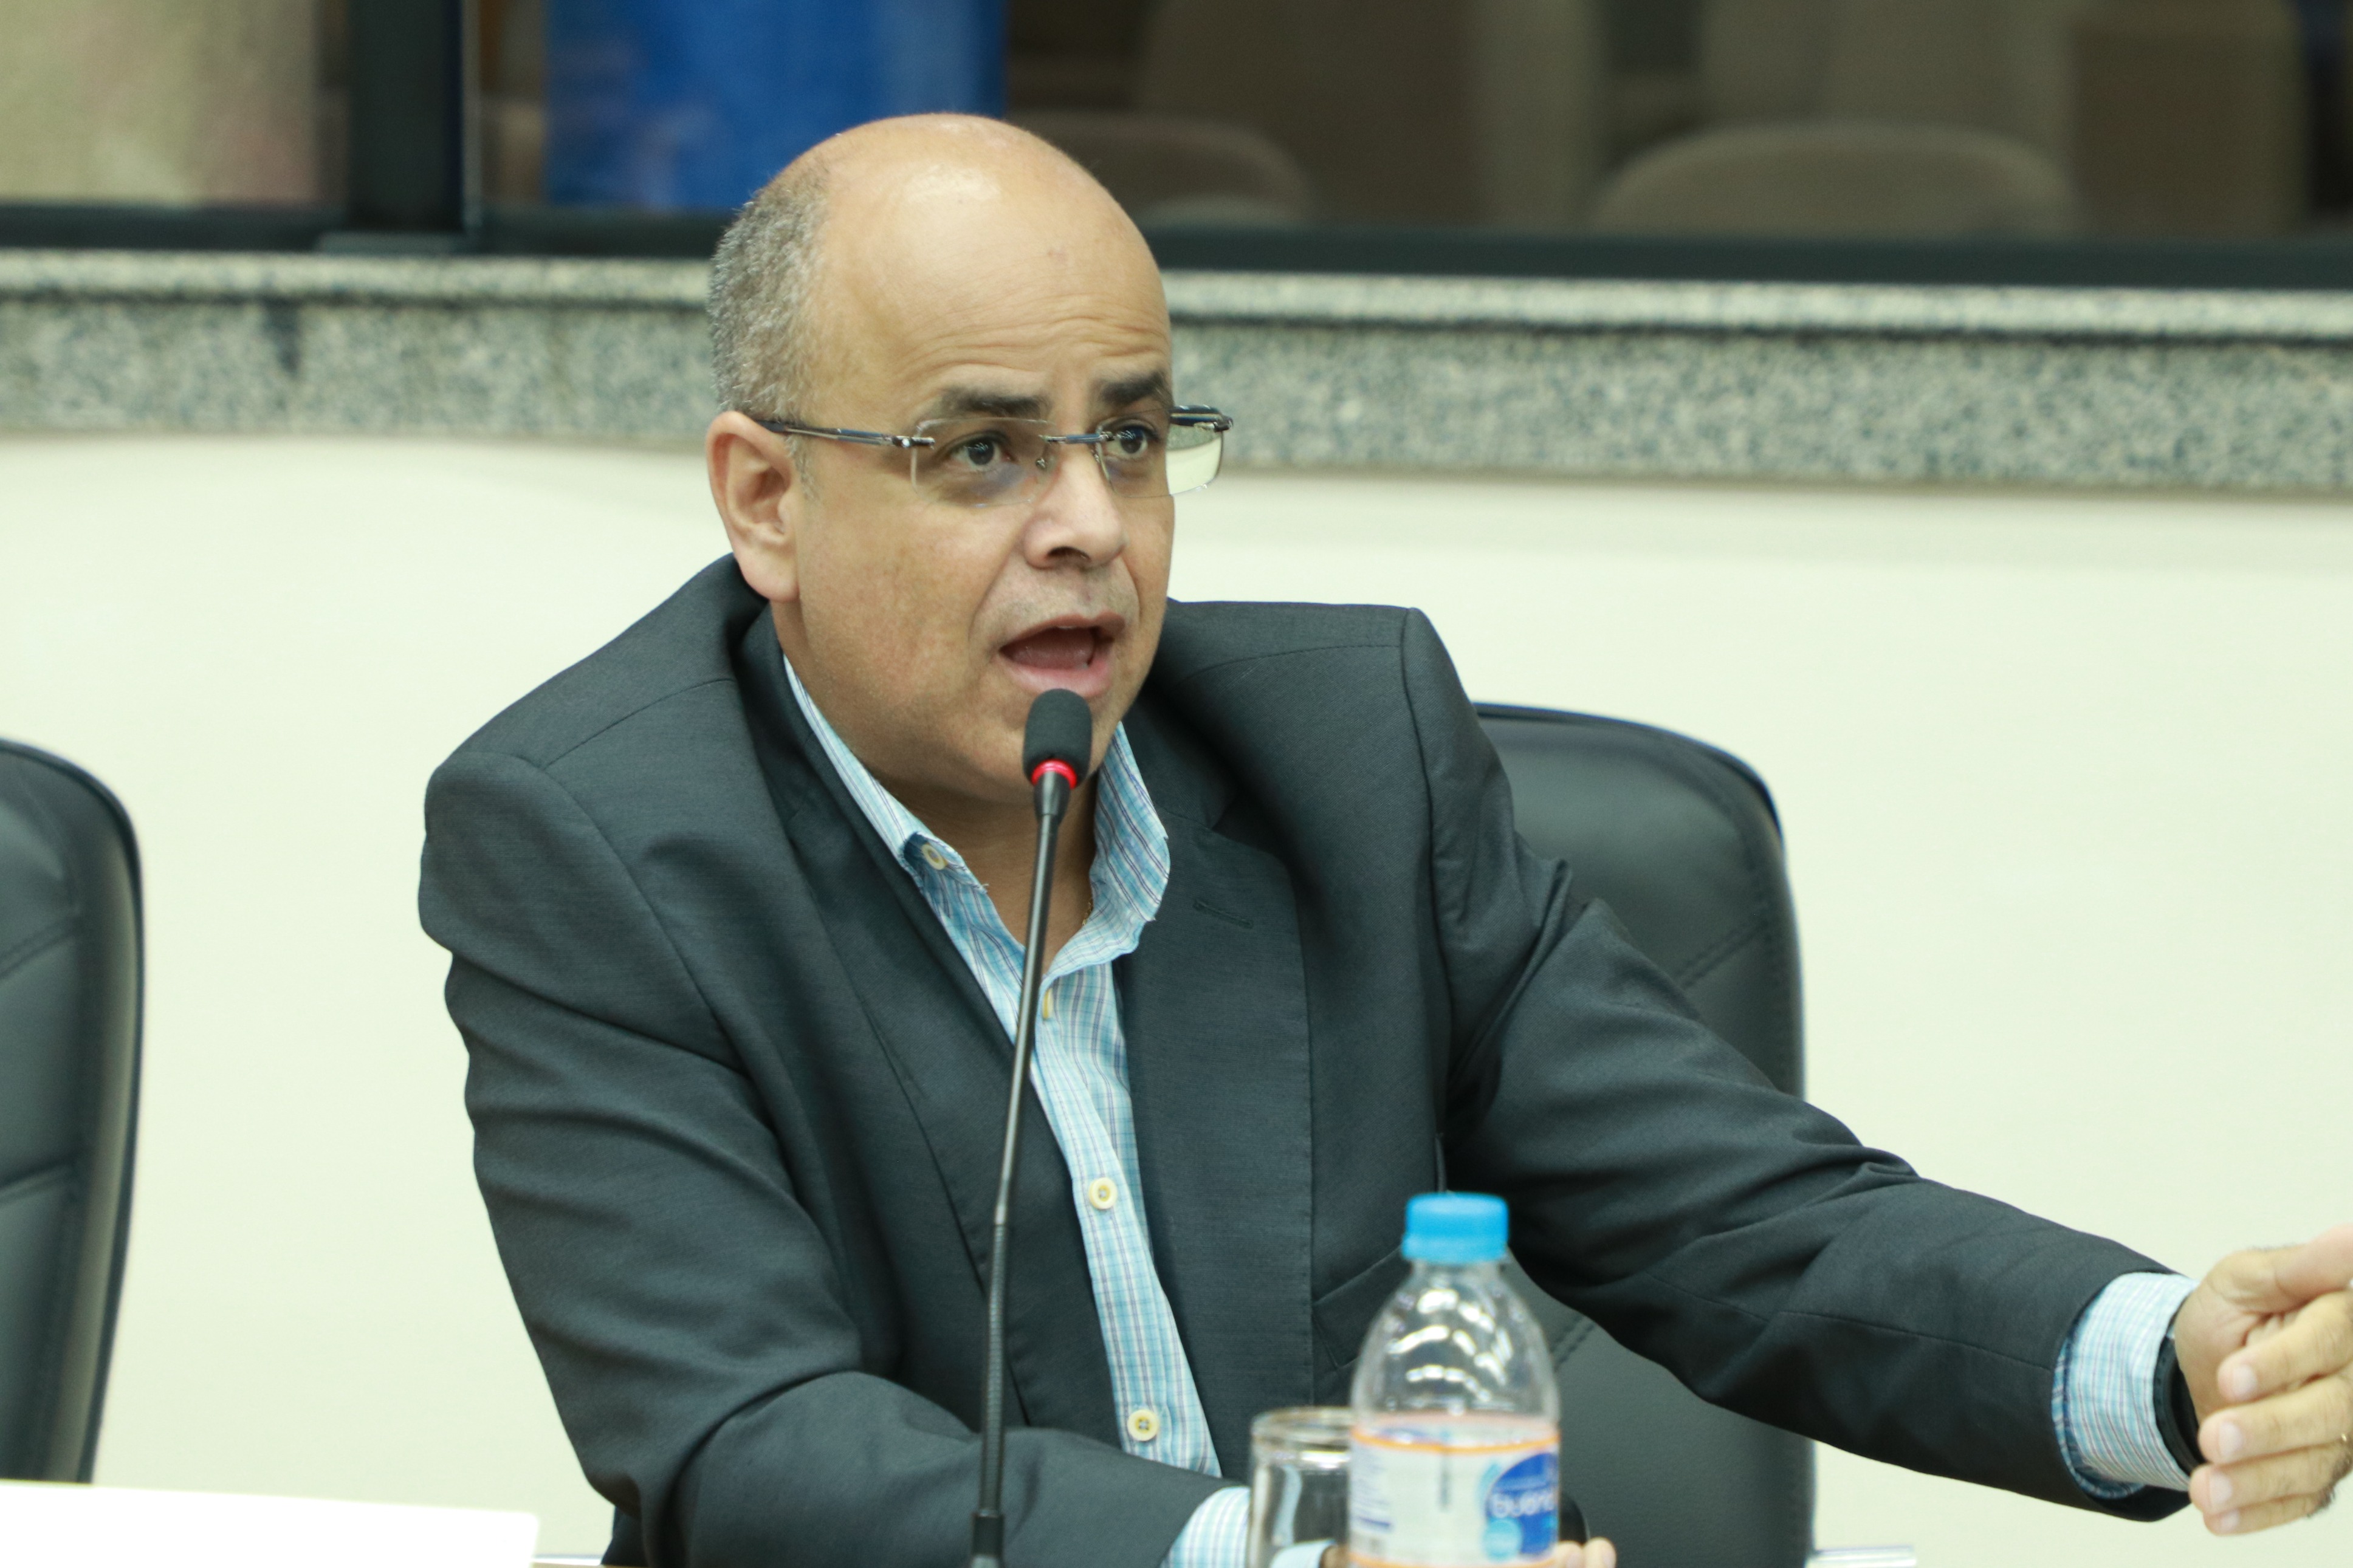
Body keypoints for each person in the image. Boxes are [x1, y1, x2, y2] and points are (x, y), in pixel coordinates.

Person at [417, 115, 2353, 1568]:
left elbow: (1742, 1216)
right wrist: (1281, 1555)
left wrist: (2169, 1356)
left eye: (1134, 438)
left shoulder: (1349, 753)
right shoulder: (596, 843)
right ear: (766, 499)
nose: (1087, 523)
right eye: (983, 452)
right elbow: (751, 1443)